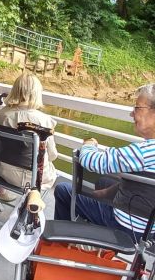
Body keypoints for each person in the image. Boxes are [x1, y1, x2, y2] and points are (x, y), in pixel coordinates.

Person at [54, 83, 155, 242]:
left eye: (137, 108)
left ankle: (60, 241)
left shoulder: (144, 152)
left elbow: (92, 161)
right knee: (103, 181)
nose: (131, 113)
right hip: (149, 227)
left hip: (126, 227)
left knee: (63, 190)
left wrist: (89, 144)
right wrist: (102, 193)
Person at [0, 72, 58, 200]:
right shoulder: (44, 121)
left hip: (5, 172)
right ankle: (33, 199)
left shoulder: (2, 115)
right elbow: (52, 155)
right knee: (51, 168)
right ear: (36, 93)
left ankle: (0, 191)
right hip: (34, 178)